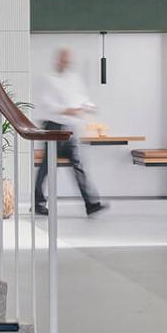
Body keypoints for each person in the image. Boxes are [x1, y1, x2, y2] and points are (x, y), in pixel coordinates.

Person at [33, 47, 105, 216]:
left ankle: (91, 204)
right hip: (54, 128)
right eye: (63, 58)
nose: (66, 62)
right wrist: (67, 110)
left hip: (71, 129)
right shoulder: (48, 80)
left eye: (68, 59)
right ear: (57, 60)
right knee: (46, 167)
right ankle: (38, 203)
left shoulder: (74, 79)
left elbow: (83, 99)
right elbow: (46, 104)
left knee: (78, 166)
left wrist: (89, 107)